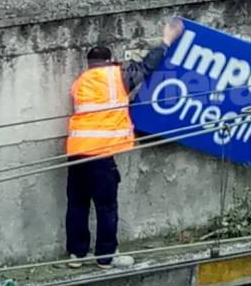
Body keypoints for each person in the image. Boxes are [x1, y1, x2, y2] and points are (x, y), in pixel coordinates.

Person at [65, 17, 184, 268]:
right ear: (108, 62)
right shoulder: (116, 76)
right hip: (101, 153)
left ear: (89, 64)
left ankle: (77, 255)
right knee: (106, 206)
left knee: (78, 203)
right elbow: (147, 66)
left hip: (76, 152)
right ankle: (106, 257)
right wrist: (166, 40)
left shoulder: (80, 82)